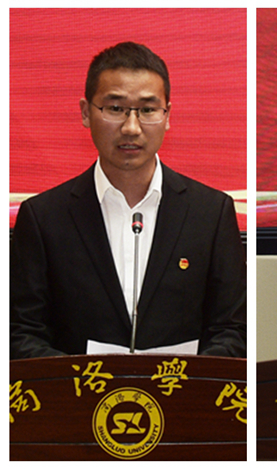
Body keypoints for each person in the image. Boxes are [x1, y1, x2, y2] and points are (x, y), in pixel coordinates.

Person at [10, 42, 246, 359]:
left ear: (167, 115)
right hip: (81, 389)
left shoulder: (211, 213)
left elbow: (232, 330)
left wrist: (190, 379)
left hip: (180, 389)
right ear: (85, 112)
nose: (131, 128)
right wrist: (81, 379)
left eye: (147, 110)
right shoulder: (43, 217)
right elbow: (22, 333)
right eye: (115, 108)